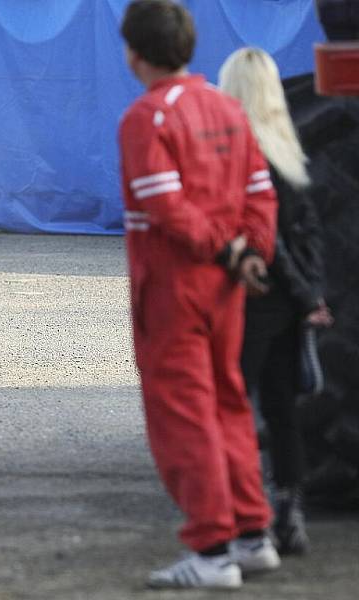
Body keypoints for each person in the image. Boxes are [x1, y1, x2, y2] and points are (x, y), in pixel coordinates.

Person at [118, 1, 280, 589]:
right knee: (229, 402)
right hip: (226, 288)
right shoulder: (230, 110)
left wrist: (223, 248)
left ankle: (213, 551)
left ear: (134, 53)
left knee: (184, 415)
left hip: (174, 285)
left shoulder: (146, 119)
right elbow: (261, 192)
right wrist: (249, 252)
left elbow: (166, 207)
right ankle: (251, 535)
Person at [219, 47, 334, 556]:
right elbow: (308, 234)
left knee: (234, 409)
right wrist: (310, 294)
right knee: (283, 410)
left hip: (254, 297)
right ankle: (289, 512)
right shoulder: (291, 149)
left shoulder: (238, 155)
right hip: (290, 302)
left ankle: (246, 520)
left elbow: (270, 241)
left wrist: (301, 290)